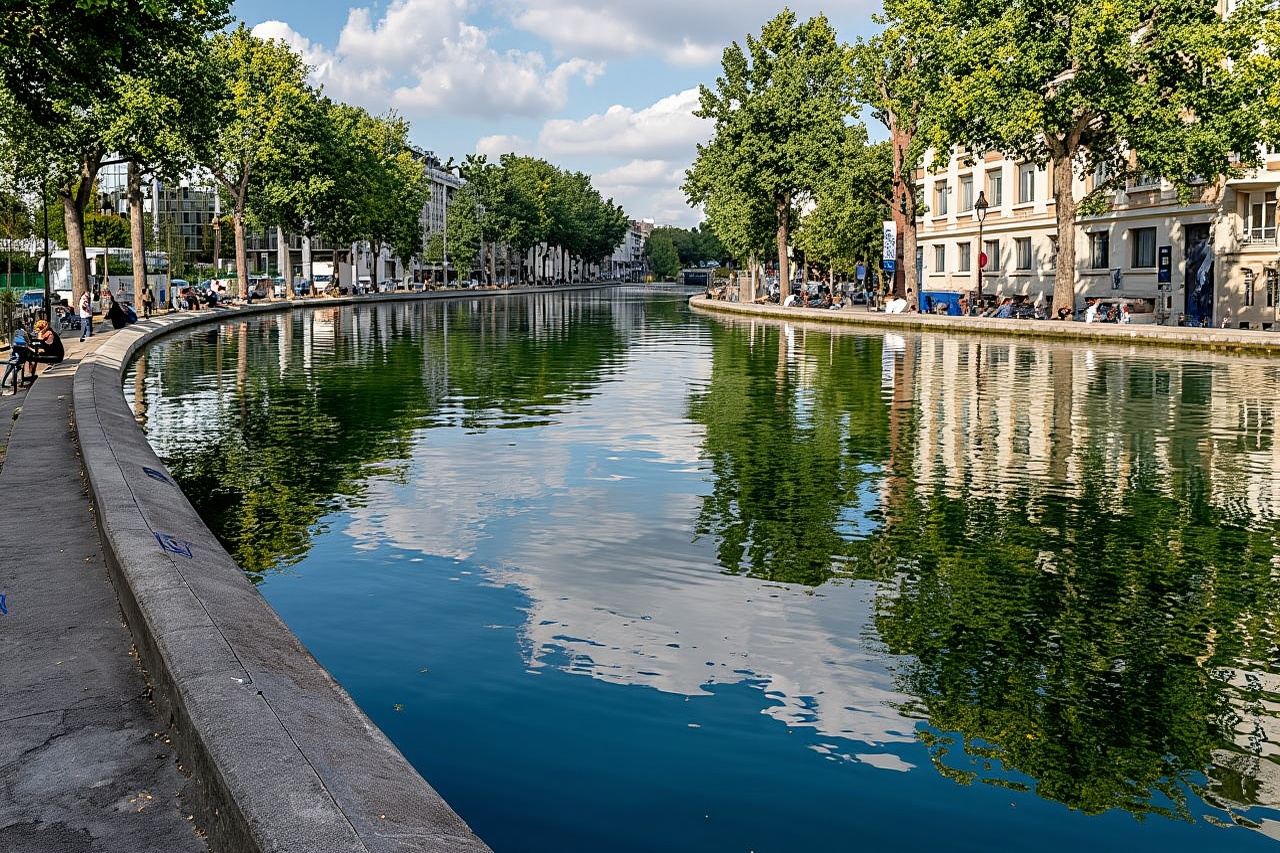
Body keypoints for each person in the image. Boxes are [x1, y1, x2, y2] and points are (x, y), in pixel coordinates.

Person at [2, 329, 31, 394]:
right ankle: (7, 385)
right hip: (20, 356)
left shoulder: (17, 334)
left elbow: (13, 344)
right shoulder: (24, 334)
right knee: (16, 367)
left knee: (11, 367)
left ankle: (7, 383)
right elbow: (28, 342)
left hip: (15, 355)